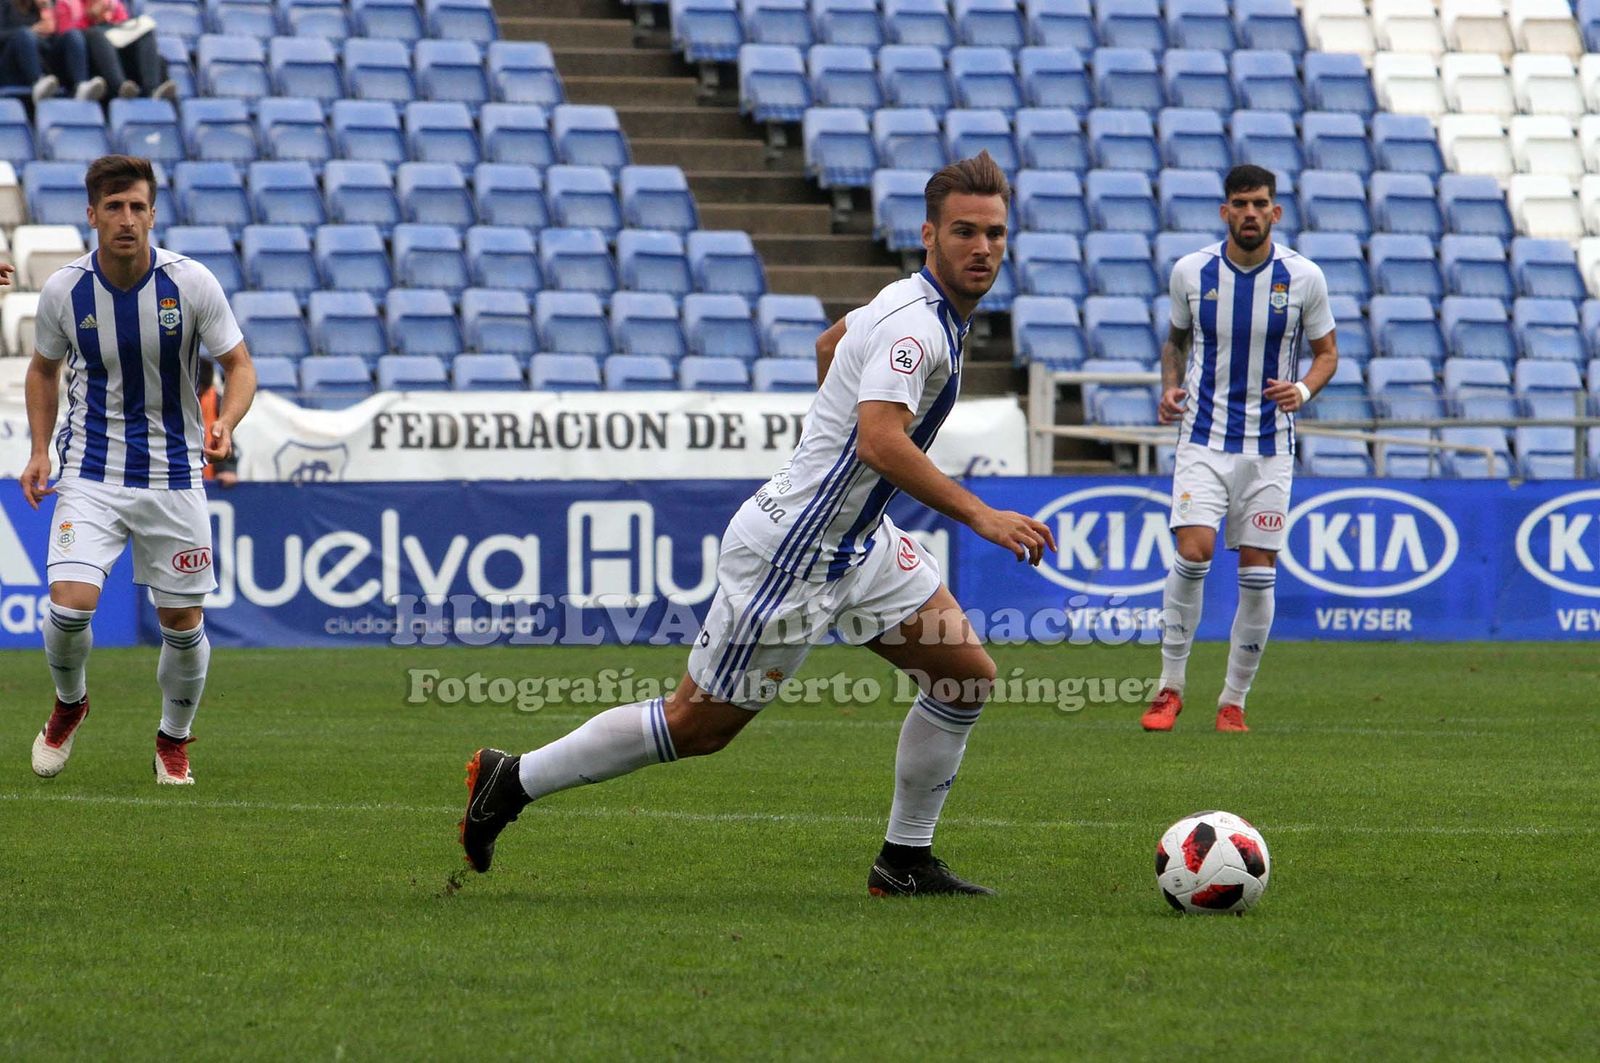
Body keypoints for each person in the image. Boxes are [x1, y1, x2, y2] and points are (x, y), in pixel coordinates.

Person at [460, 152, 1056, 896]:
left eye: (996, 234)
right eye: (965, 231)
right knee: (696, 726)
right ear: (929, 235)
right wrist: (980, 513)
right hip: (796, 553)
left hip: (856, 543)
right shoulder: (918, 329)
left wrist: (830, 460)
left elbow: (830, 347)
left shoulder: (911, 306)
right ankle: (509, 780)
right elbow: (878, 439)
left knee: (963, 678)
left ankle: (904, 860)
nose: (983, 248)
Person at [16, 154, 257, 784]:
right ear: (92, 214)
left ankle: (173, 739)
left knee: (182, 623)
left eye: (138, 207)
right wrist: (40, 451)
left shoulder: (192, 283)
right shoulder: (64, 290)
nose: (128, 219)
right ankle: (70, 706)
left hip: (175, 475)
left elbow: (241, 366)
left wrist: (227, 420)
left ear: (153, 213)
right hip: (90, 473)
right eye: (115, 207)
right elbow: (42, 371)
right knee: (69, 607)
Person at [1140, 164, 1339, 734]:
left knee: (1257, 570)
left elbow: (1327, 353)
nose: (1249, 213)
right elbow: (1175, 339)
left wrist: (1301, 388)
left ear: (1275, 212)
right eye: (1239, 204)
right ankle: (1169, 688)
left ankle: (1233, 701)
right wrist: (1168, 386)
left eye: (1260, 204)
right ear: (1225, 211)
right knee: (1195, 552)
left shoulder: (1304, 278)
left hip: (1270, 447)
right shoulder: (1191, 271)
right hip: (1202, 437)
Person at [54, 0, 174, 100]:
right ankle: (120, 87)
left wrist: (107, 19)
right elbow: (70, 39)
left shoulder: (112, 4)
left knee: (148, 37)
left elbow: (125, 31)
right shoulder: (67, 3)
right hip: (90, 61)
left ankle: (152, 89)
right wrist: (89, 17)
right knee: (95, 33)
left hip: (116, 55)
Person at [0, 0, 102, 101]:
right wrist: (31, 30)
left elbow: (54, 42)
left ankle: (81, 85)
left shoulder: (47, 8)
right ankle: (37, 81)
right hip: (15, 63)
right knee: (24, 34)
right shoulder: (6, 4)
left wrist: (50, 18)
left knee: (73, 35)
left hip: (45, 62)